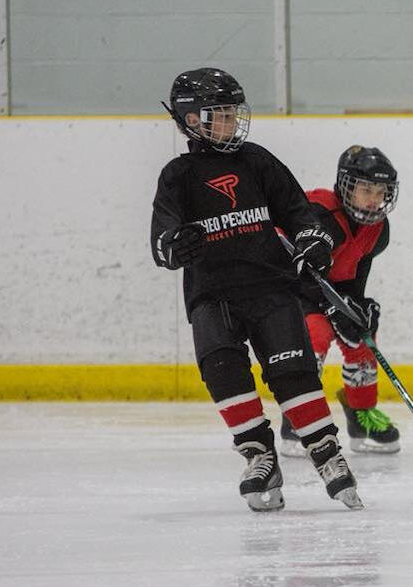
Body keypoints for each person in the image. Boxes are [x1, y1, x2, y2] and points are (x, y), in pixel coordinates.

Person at [151, 67, 363, 511]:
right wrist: (172, 245)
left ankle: (325, 451)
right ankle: (259, 454)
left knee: (293, 371)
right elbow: (162, 237)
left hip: (271, 287)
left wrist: (312, 239)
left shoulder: (257, 161)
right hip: (212, 295)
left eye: (233, 113)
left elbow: (297, 211)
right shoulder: (178, 175)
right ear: (192, 120)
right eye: (221, 114)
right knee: (223, 370)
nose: (232, 122)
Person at [279, 145, 401, 457]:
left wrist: (356, 307)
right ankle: (298, 419)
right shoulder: (320, 213)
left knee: (361, 333)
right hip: (289, 287)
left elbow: (354, 278)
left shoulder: (378, 230)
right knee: (316, 335)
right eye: (366, 189)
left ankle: (362, 417)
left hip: (326, 290)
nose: (374, 199)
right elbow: (292, 271)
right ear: (346, 186)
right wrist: (331, 306)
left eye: (381, 191)